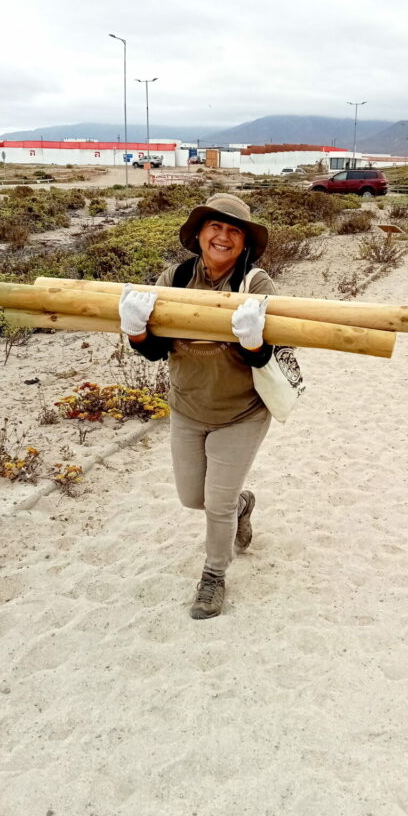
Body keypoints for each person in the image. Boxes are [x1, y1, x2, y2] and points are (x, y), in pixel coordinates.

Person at [119, 193, 276, 620]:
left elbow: (268, 357)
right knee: (194, 498)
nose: (222, 237)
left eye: (234, 230)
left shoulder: (256, 285)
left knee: (216, 503)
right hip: (188, 407)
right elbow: (154, 351)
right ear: (200, 234)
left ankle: (213, 577)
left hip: (242, 412)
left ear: (244, 242)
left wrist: (252, 340)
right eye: (215, 227)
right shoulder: (175, 276)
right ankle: (243, 504)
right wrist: (135, 332)